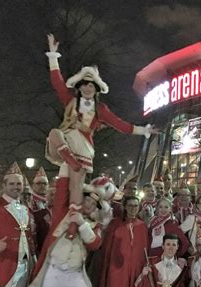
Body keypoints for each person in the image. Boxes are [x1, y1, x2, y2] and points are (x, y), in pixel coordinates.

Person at [44, 33, 157, 238]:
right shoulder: (69, 100)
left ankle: (71, 228)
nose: (88, 88)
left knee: (75, 192)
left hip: (83, 148)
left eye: (92, 86)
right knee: (54, 134)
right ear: (79, 87)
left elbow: (120, 125)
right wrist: (53, 55)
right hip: (67, 145)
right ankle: (70, 162)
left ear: (96, 90)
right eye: (85, 85)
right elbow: (57, 82)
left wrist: (143, 130)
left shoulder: (100, 109)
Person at [29, 163, 103, 287]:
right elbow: (62, 189)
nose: (89, 205)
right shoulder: (62, 213)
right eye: (87, 201)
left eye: (93, 204)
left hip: (75, 273)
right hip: (53, 270)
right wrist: (67, 163)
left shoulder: (94, 224)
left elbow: (94, 243)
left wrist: (81, 224)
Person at [95, 196, 149, 287]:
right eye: (130, 205)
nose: (133, 208)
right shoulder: (114, 224)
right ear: (125, 206)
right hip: (116, 270)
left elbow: (145, 249)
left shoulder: (142, 226)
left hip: (136, 269)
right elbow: (107, 247)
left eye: (136, 206)